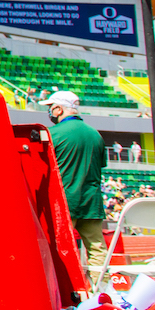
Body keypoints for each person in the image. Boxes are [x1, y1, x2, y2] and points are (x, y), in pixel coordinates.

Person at [43, 89, 108, 288]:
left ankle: (67, 290)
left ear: (58, 109)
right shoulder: (96, 135)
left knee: (61, 248)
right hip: (91, 202)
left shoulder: (52, 134)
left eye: (50, 108)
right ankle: (101, 289)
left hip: (63, 202)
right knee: (97, 249)